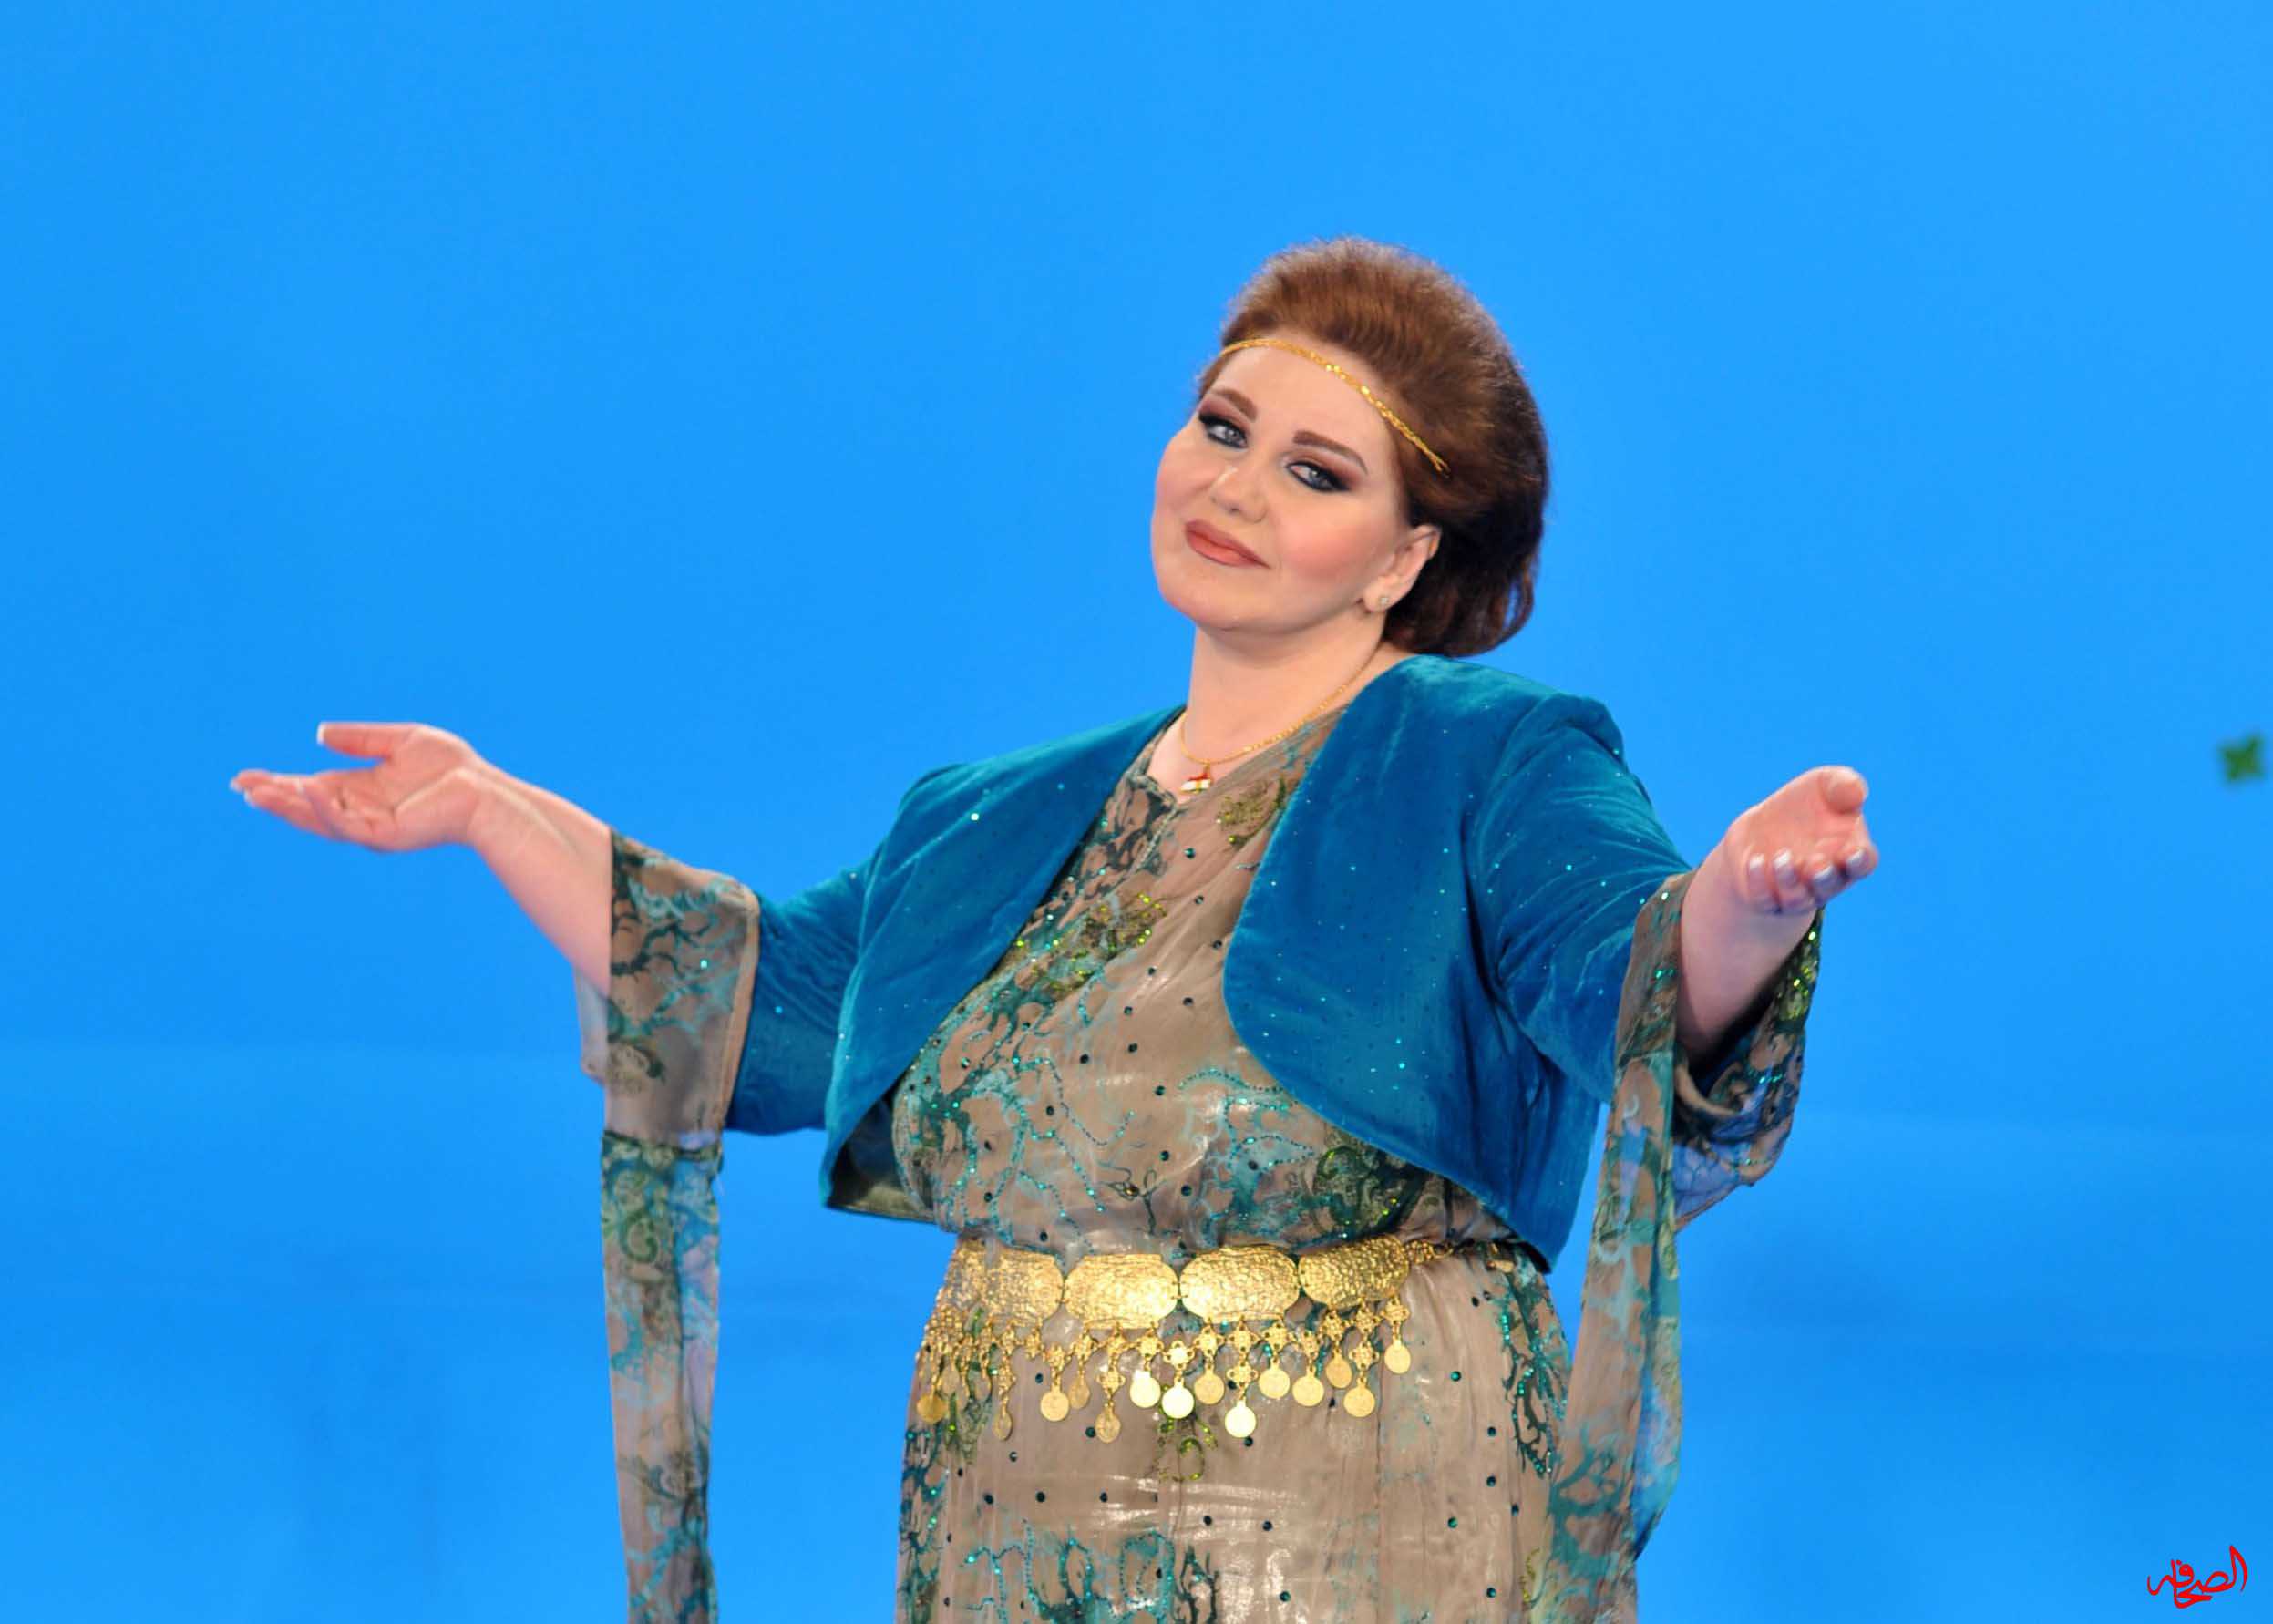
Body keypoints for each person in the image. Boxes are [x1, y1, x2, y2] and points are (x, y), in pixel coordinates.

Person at [231, 235, 1877, 1624]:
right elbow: (751, 994)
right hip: (1015, 1516)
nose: (1234, 486)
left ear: (1404, 555)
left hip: (1373, 1517)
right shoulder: (995, 814)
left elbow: (1626, 969)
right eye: (1221, 428)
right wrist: (494, 811)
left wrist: (1739, 902)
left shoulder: (1483, 757)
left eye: (1313, 471)